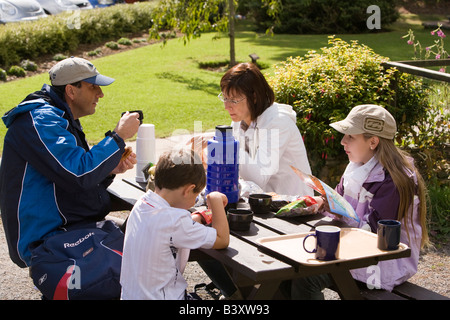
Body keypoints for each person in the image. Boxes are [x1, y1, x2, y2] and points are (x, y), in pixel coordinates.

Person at [0, 57, 139, 270]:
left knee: (142, 232)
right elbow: (79, 175)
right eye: (94, 87)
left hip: (67, 223)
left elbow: (74, 175)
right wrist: (117, 137)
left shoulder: (59, 116)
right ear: (71, 91)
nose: (100, 94)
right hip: (47, 236)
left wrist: (109, 169)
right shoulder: (42, 120)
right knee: (142, 243)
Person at [290, 104, 430, 299]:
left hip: (381, 264)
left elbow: (373, 236)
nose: (342, 142)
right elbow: (340, 204)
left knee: (306, 276)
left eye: (350, 137)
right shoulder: (358, 166)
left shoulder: (395, 181)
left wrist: (337, 213)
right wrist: (320, 203)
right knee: (290, 264)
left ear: (373, 142)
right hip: (355, 251)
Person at [120, 149, 229, 300]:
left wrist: (201, 217)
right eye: (196, 196)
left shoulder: (143, 204)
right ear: (189, 190)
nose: (195, 202)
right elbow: (222, 239)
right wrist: (216, 199)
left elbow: (171, 230)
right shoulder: (175, 221)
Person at [219, 62, 313, 197]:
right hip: (263, 203)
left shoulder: (279, 123)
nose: (226, 106)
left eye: (233, 100)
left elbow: (258, 178)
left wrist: (227, 145)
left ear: (254, 97)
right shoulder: (241, 120)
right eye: (225, 98)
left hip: (292, 207)